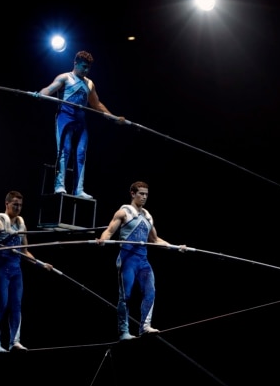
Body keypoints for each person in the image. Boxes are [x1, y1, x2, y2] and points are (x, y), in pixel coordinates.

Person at [97, 181, 185, 341]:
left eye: (146, 194)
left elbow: (155, 239)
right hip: (127, 259)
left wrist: (175, 247)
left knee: (150, 292)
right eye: (141, 194)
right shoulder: (124, 212)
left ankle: (145, 326)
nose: (144, 197)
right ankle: (124, 331)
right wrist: (103, 240)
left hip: (143, 261)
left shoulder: (148, 216)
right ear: (132, 193)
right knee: (126, 296)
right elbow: (109, 231)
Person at [0, 191, 53, 353]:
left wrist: (41, 264)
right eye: (15, 204)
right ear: (7, 204)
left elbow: (25, 251)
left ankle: (14, 342)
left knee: (16, 305)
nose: (18, 208)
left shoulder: (21, 225)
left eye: (20, 205)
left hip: (16, 272)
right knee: (2, 306)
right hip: (0, 270)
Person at [38, 50, 125, 199]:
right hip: (65, 118)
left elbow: (96, 104)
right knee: (64, 151)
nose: (86, 70)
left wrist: (114, 117)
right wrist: (40, 95)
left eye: (88, 68)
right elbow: (49, 89)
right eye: (83, 66)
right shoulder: (65, 78)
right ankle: (60, 185)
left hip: (80, 122)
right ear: (75, 63)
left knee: (80, 154)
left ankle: (78, 189)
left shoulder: (89, 84)